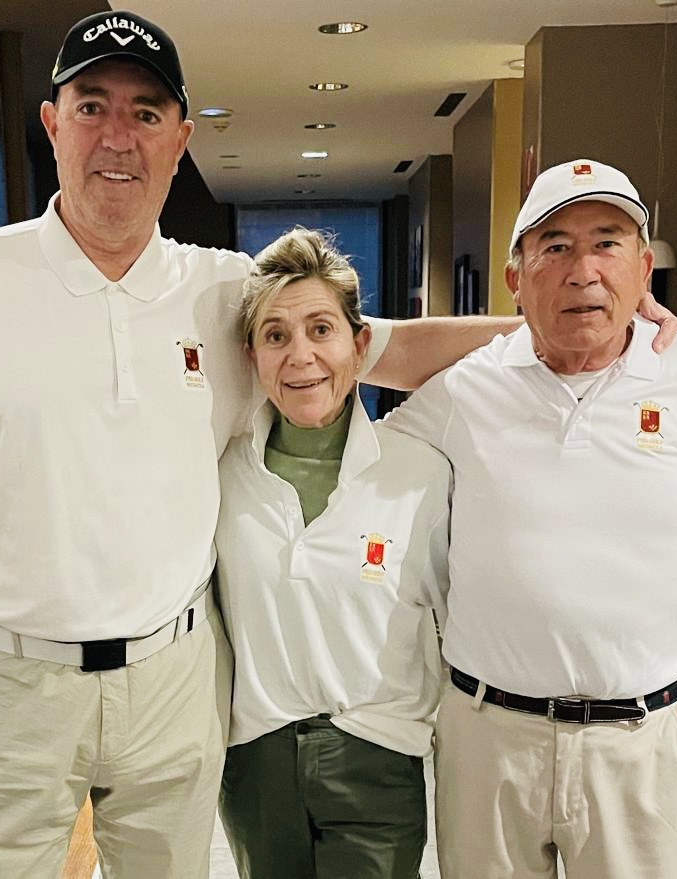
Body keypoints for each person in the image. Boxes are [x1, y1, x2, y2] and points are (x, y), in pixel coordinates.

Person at [0, 11, 634, 877]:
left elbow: (394, 348)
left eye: (147, 113)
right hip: (7, 683)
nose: (119, 136)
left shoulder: (225, 288)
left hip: (175, 675)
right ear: (53, 123)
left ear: (180, 139)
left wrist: (599, 317)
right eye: (92, 106)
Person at [384, 159, 677, 879]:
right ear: (515, 277)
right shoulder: (469, 386)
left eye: (607, 243)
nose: (583, 269)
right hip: (487, 743)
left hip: (644, 745)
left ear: (644, 268)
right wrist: (533, 324)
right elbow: (342, 351)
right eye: (556, 247)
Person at [215, 228, 451, 878]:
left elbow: (459, 622)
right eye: (276, 335)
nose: (301, 356)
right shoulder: (224, 472)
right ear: (252, 355)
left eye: (321, 329)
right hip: (257, 759)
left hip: (378, 754)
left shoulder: (419, 472)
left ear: (360, 344)